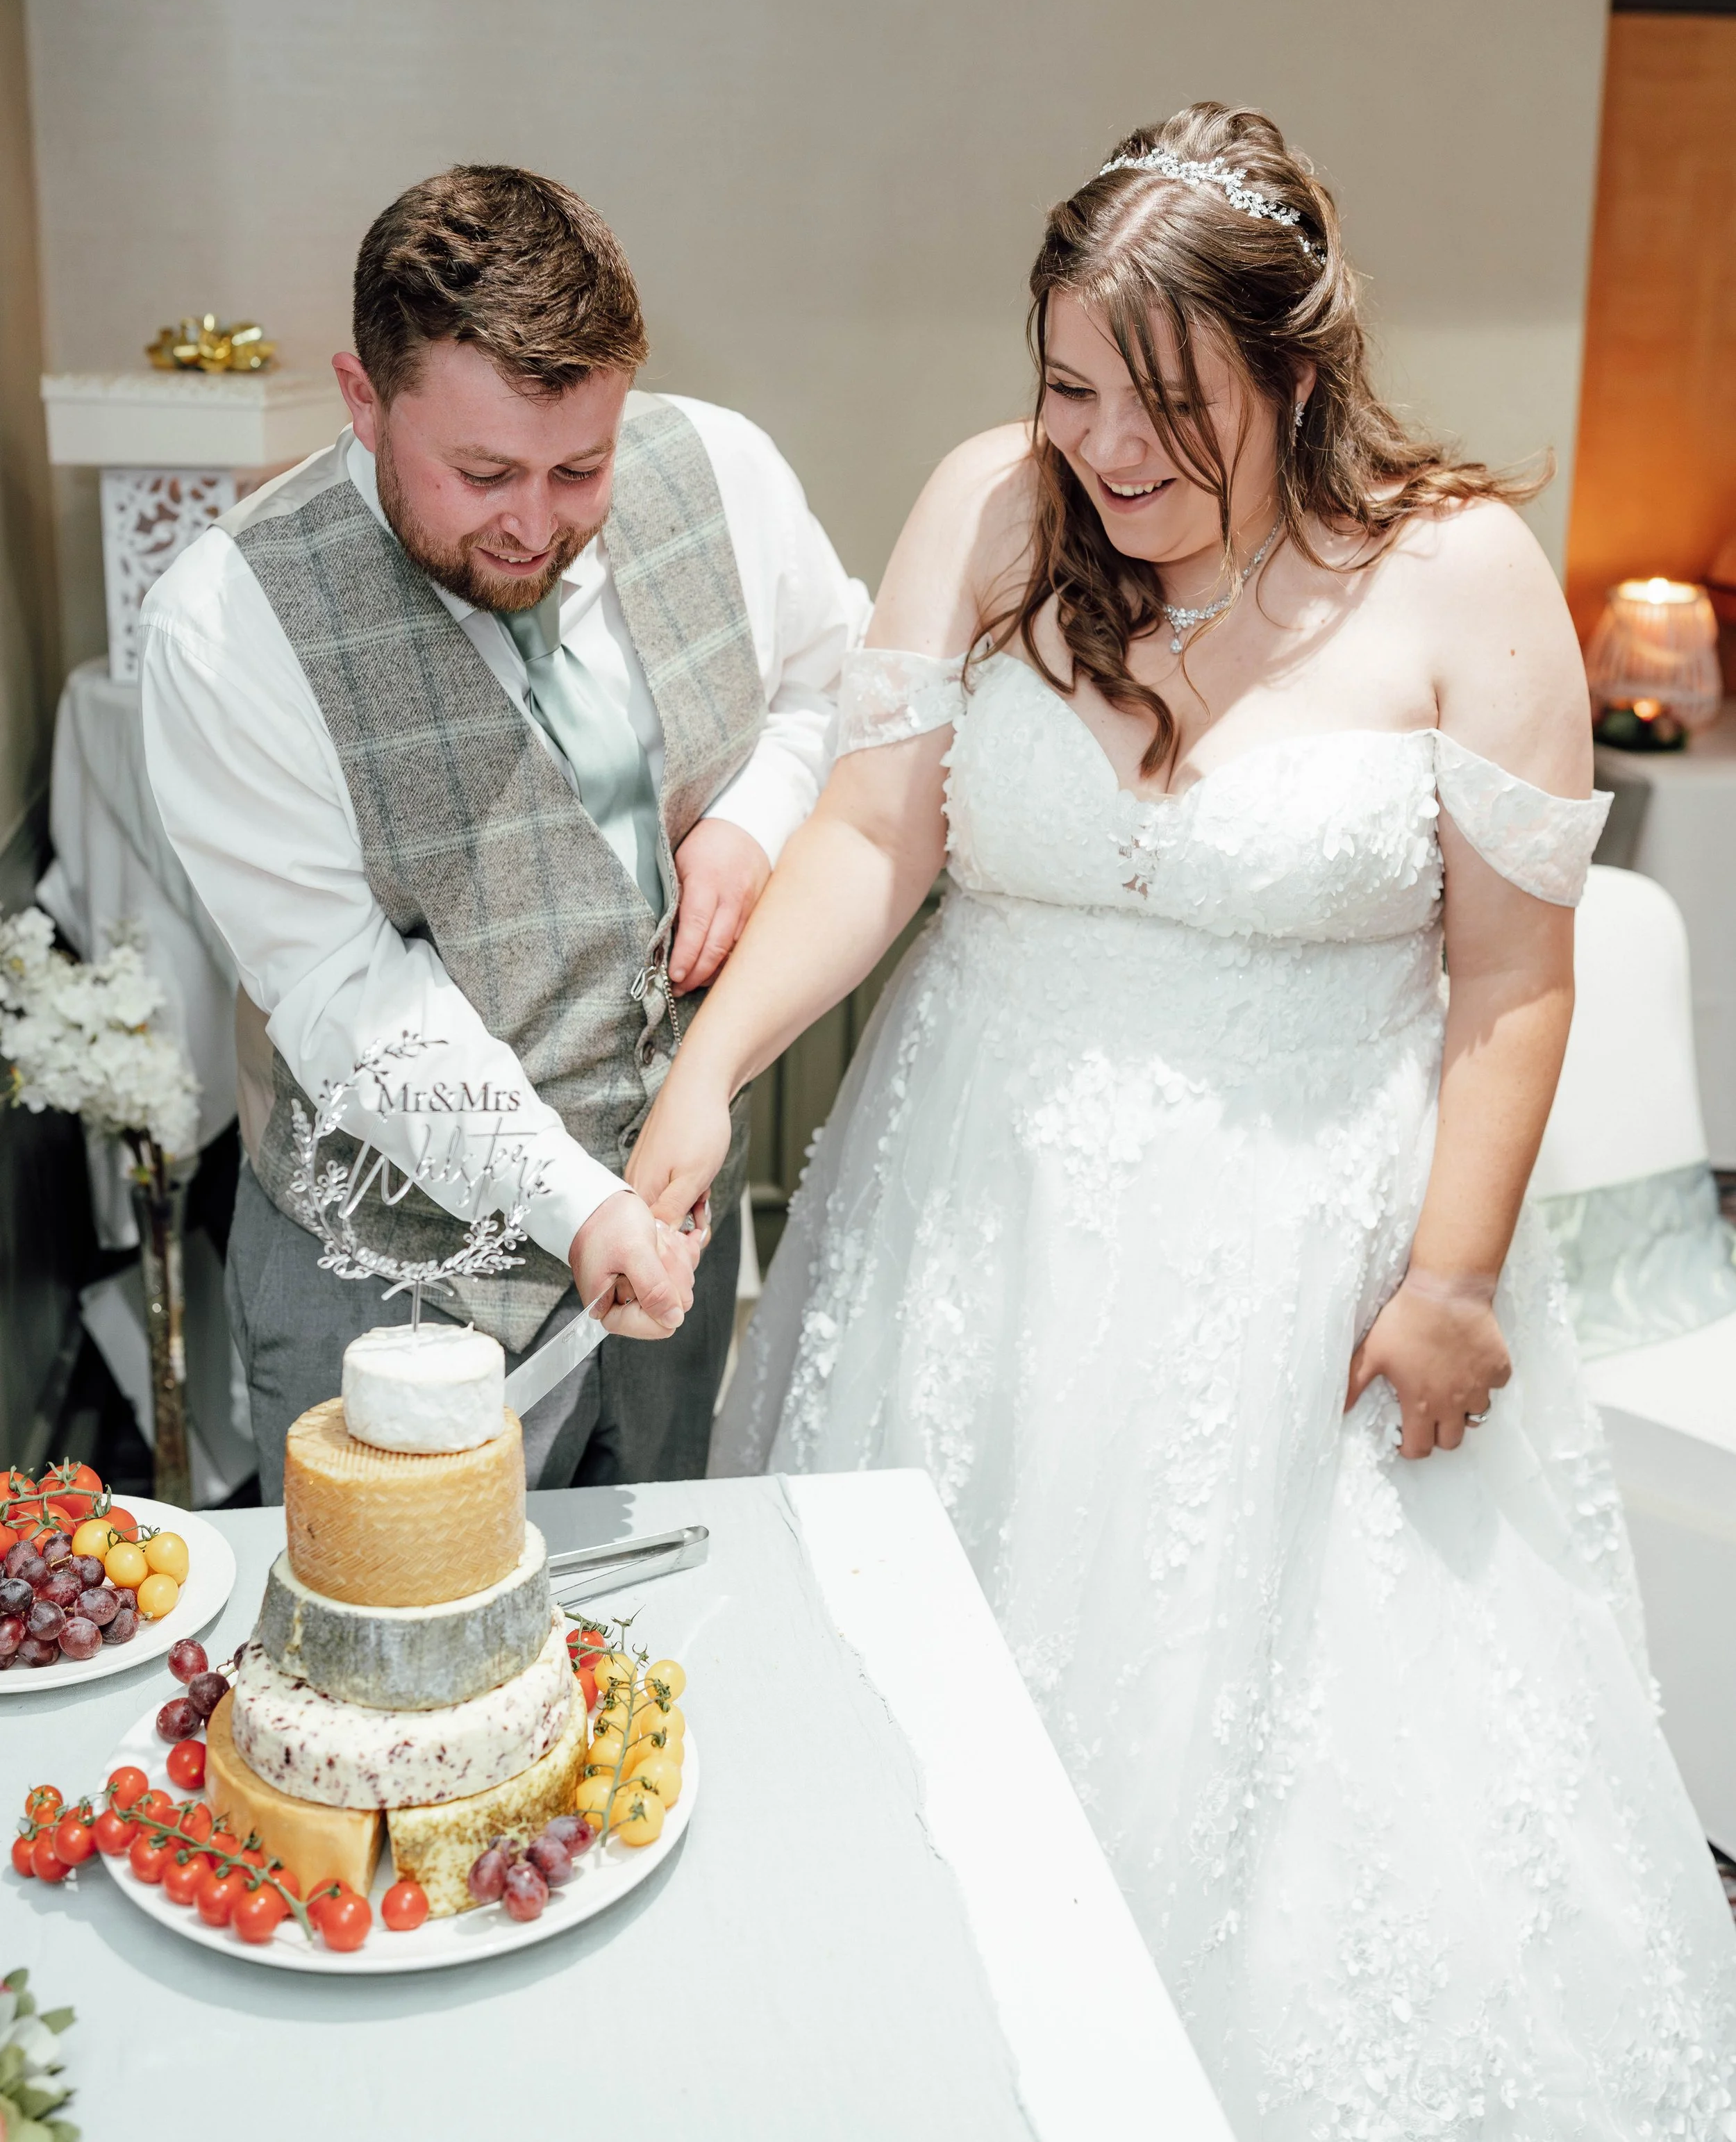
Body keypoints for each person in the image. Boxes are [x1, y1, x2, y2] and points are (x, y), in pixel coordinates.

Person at [629, 106, 1736, 2132]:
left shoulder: (1458, 575)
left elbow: (1511, 975)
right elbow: (875, 842)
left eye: (1166, 405)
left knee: (1313, 1786)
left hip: (1302, 1252)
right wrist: (704, 1075)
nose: (1105, 452)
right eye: (1066, 389)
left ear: (1293, 376)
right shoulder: (990, 504)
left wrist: (1454, 1279)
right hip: (975, 1212)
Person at [142, 164, 866, 1498]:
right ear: (363, 401)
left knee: (654, 1645)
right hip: (392, 1289)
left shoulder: (725, 469)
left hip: (676, 1239)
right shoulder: (225, 624)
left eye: (580, 466)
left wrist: (757, 822)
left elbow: (835, 685)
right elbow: (341, 988)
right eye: (481, 472)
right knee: (405, 1674)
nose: (537, 522)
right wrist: (576, 1206)